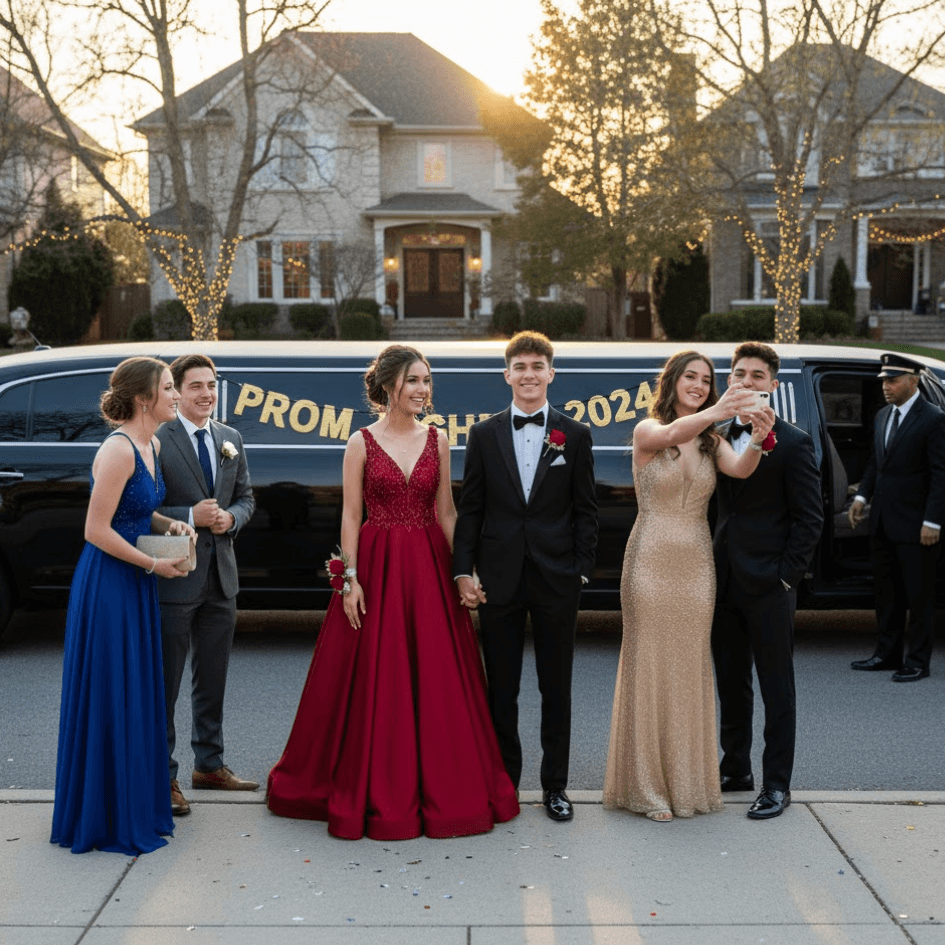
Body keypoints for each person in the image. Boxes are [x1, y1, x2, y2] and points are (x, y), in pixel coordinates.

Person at [267, 345, 519, 840]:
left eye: (427, 381)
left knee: (437, 677)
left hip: (428, 566)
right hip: (378, 567)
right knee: (370, 676)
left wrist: (463, 572)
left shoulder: (439, 440)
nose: (423, 390)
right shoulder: (360, 443)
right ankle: (375, 785)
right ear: (388, 387)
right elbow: (351, 516)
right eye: (413, 381)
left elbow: (447, 512)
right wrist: (350, 580)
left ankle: (444, 787)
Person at [603, 351, 772, 822]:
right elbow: (674, 433)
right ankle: (647, 788)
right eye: (690, 377)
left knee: (689, 667)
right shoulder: (647, 431)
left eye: (706, 380)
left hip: (697, 565)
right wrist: (720, 409)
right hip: (650, 560)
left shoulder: (712, 442)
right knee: (651, 665)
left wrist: (758, 437)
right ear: (673, 381)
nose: (698, 384)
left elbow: (740, 469)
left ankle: (686, 782)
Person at [51, 357, 195, 854]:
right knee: (112, 690)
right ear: (143, 399)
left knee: (135, 689)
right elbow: (95, 530)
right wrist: (153, 566)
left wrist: (165, 525)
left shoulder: (151, 443)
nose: (176, 396)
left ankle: (129, 803)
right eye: (170, 388)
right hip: (110, 583)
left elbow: (135, 509)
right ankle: (100, 815)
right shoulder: (117, 449)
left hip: (134, 580)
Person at [453, 331, 598, 823]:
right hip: (499, 579)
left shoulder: (573, 436)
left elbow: (587, 510)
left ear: (551, 373)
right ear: (507, 374)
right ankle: (504, 787)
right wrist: (462, 570)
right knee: (502, 689)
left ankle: (555, 787)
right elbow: (471, 509)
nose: (529, 374)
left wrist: (579, 569)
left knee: (557, 688)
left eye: (538, 366)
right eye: (520, 366)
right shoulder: (483, 434)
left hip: (558, 578)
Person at [712, 342, 823, 820]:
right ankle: (736, 768)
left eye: (759, 375)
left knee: (777, 687)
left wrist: (785, 578)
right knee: (731, 683)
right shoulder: (712, 435)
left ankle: (777, 784)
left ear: (773, 385)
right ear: (729, 380)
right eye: (740, 374)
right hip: (721, 580)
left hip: (769, 584)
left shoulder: (794, 442)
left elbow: (810, 518)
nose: (748, 381)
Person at [156, 353, 256, 817]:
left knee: (211, 679)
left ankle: (209, 765)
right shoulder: (158, 439)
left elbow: (246, 498)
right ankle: (164, 777)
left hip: (222, 578)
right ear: (176, 392)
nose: (206, 394)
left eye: (211, 385)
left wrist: (230, 519)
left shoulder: (230, 438)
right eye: (195, 386)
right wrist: (187, 517)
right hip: (175, 576)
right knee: (166, 683)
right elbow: (141, 507)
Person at [849, 352, 945, 682]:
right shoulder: (882, 416)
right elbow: (878, 463)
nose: (886, 387)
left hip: (918, 527)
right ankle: (886, 655)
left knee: (919, 598)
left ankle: (917, 662)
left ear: (913, 381)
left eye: (893, 381)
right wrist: (862, 496)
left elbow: (940, 474)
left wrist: (933, 521)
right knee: (887, 595)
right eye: (884, 382)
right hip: (883, 522)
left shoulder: (933, 419)